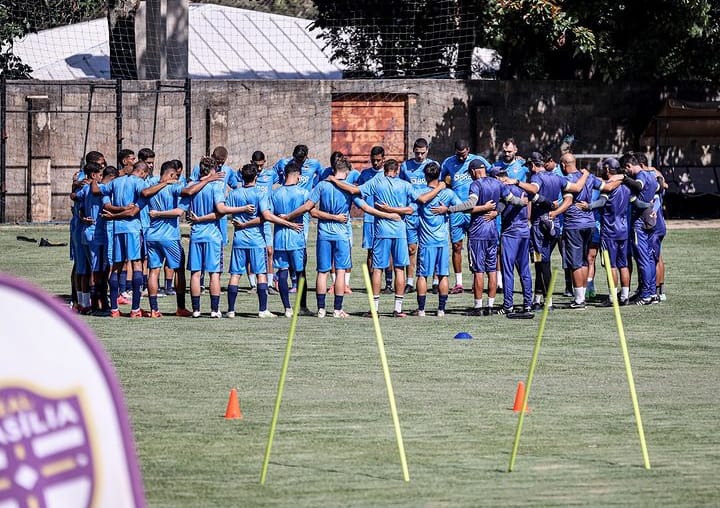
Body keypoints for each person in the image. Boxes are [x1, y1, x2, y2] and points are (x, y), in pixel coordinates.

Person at [330, 159, 446, 317]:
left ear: (385, 170)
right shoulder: (405, 185)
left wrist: (334, 180)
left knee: (377, 269)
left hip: (382, 231)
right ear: (397, 171)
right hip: (400, 231)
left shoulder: (377, 182)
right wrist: (440, 186)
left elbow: (353, 190)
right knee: (399, 268)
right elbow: (423, 200)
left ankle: (375, 309)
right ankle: (398, 309)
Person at [291, 158, 399, 317]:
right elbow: (366, 208)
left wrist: (288, 217)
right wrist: (387, 215)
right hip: (341, 234)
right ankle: (337, 309)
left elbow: (309, 209)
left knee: (322, 272)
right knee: (340, 271)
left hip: (323, 234)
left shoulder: (322, 185)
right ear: (347, 171)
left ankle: (321, 310)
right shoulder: (349, 188)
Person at [435, 159, 517, 315]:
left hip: (478, 233)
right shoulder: (497, 183)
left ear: (473, 172)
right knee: (492, 270)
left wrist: (449, 209)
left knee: (478, 270)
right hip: (493, 232)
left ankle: (478, 307)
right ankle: (491, 306)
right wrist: (524, 201)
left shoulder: (476, 184)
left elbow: (470, 205)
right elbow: (512, 200)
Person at [226, 163, 302, 318]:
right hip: (256, 240)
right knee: (261, 273)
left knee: (235, 275)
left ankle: (231, 310)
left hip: (239, 239)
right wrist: (288, 223)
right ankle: (262, 310)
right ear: (256, 177)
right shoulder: (259, 193)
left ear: (241, 177)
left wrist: (240, 220)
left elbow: (226, 211)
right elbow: (266, 216)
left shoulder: (234, 194)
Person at [514, 152, 587, 310]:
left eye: (529, 166)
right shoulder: (557, 177)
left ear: (533, 165)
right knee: (541, 262)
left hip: (540, 226)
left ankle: (548, 302)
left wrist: (517, 182)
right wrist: (586, 174)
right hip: (554, 225)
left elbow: (533, 189)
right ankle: (538, 299)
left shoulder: (536, 177)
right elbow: (577, 187)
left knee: (542, 263)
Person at [549, 153, 621, 309]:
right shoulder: (588, 177)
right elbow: (608, 187)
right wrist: (623, 178)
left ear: (562, 165)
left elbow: (569, 200)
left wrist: (555, 213)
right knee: (584, 260)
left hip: (574, 225)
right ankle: (583, 295)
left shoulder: (567, 179)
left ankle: (579, 299)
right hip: (590, 224)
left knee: (575, 263)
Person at [183, 156, 250, 318]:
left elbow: (184, 203)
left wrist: (197, 218)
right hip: (212, 235)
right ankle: (214, 310)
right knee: (214, 273)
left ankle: (197, 310)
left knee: (195, 273)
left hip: (196, 234)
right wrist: (242, 209)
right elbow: (220, 209)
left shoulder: (192, 186)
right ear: (213, 170)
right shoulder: (216, 186)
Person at [91, 160, 148, 318]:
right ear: (143, 173)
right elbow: (141, 200)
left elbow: (97, 190)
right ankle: (135, 309)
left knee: (116, 266)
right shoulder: (139, 183)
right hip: (132, 228)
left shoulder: (115, 182)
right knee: (136, 264)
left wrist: (93, 179)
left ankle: (114, 309)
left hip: (117, 229)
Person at [140, 161, 193, 317]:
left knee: (153, 271)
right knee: (179, 270)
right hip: (169, 236)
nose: (177, 179)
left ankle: (154, 309)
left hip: (152, 235)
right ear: (171, 175)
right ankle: (181, 307)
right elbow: (187, 194)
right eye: (176, 176)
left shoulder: (150, 185)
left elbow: (144, 192)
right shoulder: (173, 187)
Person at [577, 157, 631, 306]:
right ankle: (625, 296)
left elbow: (602, 201)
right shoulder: (626, 187)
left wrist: (588, 206)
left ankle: (613, 298)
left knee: (611, 265)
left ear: (607, 169)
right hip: (624, 230)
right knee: (624, 264)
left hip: (610, 231)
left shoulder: (609, 186)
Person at [440, 140, 491, 294]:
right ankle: (459, 283)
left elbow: (492, 173)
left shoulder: (478, 161)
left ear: (468, 150)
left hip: (475, 210)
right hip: (457, 211)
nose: (461, 158)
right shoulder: (448, 162)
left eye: (464, 155)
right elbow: (442, 181)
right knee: (457, 246)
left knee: (477, 245)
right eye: (458, 155)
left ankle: (487, 279)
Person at [412, 161, 461, 316]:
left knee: (422, 275)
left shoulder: (420, 191)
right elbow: (462, 206)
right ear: (439, 175)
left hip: (427, 242)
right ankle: (441, 309)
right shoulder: (448, 193)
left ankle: (421, 310)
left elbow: (421, 200)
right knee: (443, 275)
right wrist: (448, 209)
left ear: (426, 176)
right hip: (442, 242)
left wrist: (446, 209)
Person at [269, 161, 313, 317]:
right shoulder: (303, 193)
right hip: (297, 237)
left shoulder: (275, 194)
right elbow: (312, 211)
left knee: (282, 271)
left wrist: (283, 220)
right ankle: (302, 307)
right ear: (298, 175)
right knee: (300, 272)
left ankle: (287, 308)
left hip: (280, 237)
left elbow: (270, 216)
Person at [619, 152, 659, 305]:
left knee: (642, 259)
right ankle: (652, 293)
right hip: (650, 219)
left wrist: (625, 179)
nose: (626, 172)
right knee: (649, 258)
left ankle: (646, 294)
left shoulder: (641, 176)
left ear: (629, 166)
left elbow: (638, 186)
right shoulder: (651, 175)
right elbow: (658, 189)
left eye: (626, 169)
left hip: (639, 222)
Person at [494, 167, 533, 316]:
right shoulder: (520, 187)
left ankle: (508, 305)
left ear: (499, 178)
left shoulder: (504, 190)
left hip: (511, 233)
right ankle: (527, 304)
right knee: (525, 269)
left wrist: (495, 211)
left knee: (508, 270)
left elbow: (502, 206)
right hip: (524, 231)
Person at [400, 138, 436, 294]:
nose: (420, 156)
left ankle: (435, 281)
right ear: (413, 150)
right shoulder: (405, 166)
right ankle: (409, 281)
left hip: (428, 213)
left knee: (430, 247)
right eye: (417, 153)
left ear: (427, 150)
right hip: (412, 213)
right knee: (411, 248)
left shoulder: (433, 165)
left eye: (423, 153)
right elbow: (400, 186)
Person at [356, 146, 394, 293]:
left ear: (383, 159)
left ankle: (389, 284)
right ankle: (372, 285)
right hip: (369, 219)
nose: (376, 163)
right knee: (371, 251)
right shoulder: (365, 174)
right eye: (373, 160)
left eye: (378, 160)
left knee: (388, 251)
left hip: (384, 218)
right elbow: (358, 191)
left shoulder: (387, 175)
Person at [250, 150, 279, 293]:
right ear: (252, 163)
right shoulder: (247, 175)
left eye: (261, 165)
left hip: (266, 218)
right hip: (251, 219)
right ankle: (253, 284)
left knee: (269, 251)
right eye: (257, 165)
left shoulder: (271, 175)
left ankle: (269, 283)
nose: (259, 168)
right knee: (252, 251)